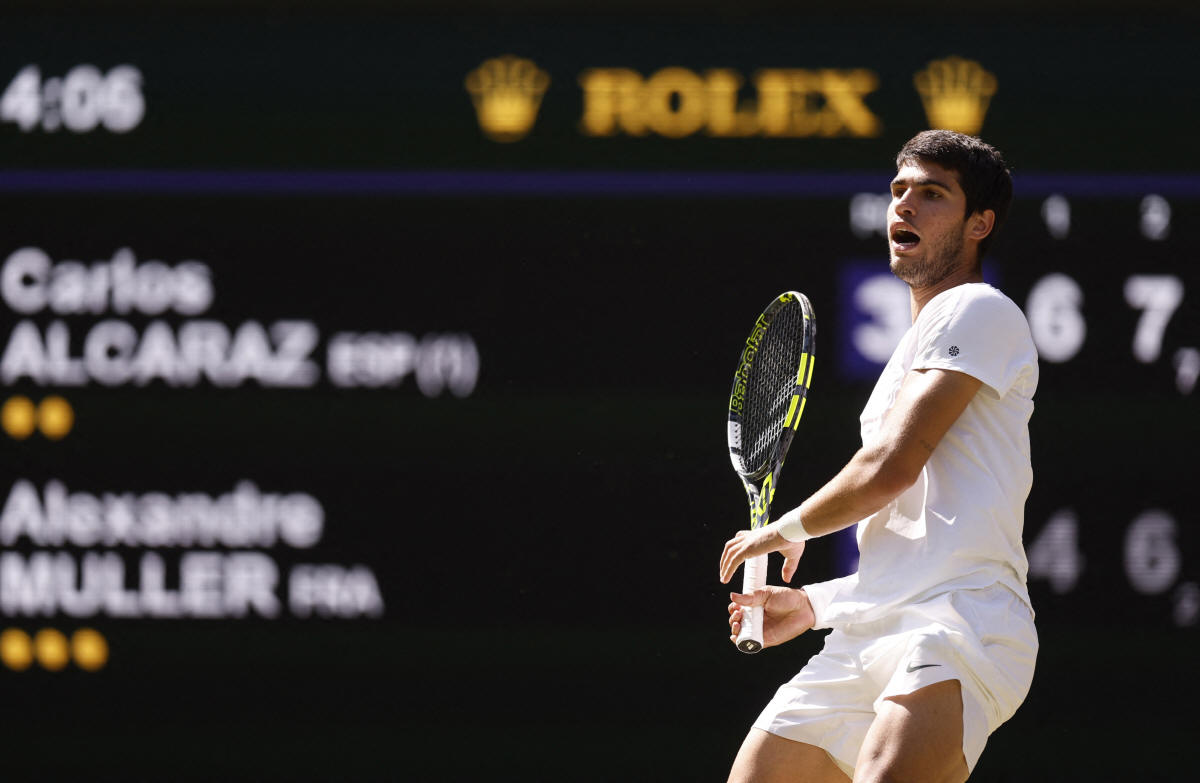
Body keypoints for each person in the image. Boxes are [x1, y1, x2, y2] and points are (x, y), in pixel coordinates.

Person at [718, 130, 1038, 783]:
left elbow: (892, 466)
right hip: (870, 628)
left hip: (963, 620)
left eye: (932, 193)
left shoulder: (980, 309)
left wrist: (785, 529)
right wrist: (815, 606)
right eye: (898, 190)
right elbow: (910, 549)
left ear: (980, 224)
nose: (904, 205)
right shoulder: (906, 357)